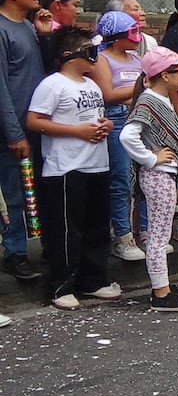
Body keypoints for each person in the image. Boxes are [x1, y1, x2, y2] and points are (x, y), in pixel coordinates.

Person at [26, 27, 118, 310]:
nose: (95, 56)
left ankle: (93, 280)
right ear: (69, 55)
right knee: (68, 229)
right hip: (66, 168)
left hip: (96, 164)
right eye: (90, 51)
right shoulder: (52, 84)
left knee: (96, 226)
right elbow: (34, 121)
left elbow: (95, 117)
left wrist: (107, 124)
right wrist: (75, 131)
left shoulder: (91, 85)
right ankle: (61, 284)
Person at [120, 47, 178, 311]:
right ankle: (160, 292)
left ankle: (164, 284)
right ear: (165, 75)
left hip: (164, 174)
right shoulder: (149, 101)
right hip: (158, 175)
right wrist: (150, 158)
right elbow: (127, 136)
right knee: (158, 237)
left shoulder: (159, 98)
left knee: (161, 233)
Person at [0, 0, 47, 283]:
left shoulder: (28, 27)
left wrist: (43, 35)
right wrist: (13, 133)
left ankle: (35, 246)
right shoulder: (1, 29)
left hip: (36, 124)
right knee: (14, 193)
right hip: (12, 130)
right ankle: (14, 253)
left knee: (34, 189)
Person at [90, 11, 148, 261]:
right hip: (118, 119)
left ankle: (145, 230)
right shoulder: (102, 59)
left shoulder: (136, 58)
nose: (137, 37)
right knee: (121, 179)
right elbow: (108, 94)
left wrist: (134, 92)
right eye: (131, 33)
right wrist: (138, 88)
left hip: (140, 118)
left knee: (146, 176)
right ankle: (122, 236)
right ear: (115, 37)